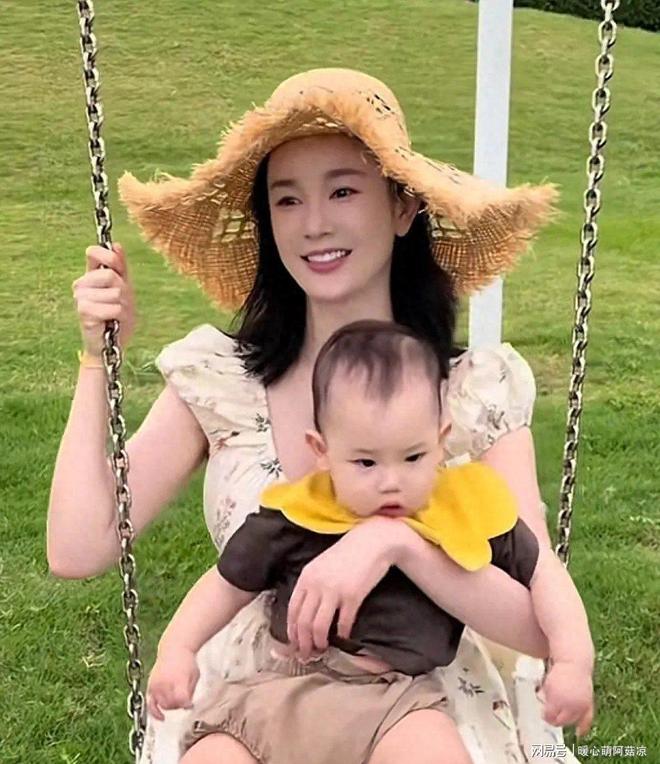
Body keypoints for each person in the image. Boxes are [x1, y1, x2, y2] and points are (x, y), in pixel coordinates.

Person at [48, 68, 593, 764]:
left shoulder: (470, 393)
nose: (314, 224)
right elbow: (78, 550)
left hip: (419, 706)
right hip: (250, 705)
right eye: (287, 199)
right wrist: (96, 360)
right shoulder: (224, 381)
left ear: (402, 207)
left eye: (342, 190)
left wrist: (394, 544)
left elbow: (537, 626)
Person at [145, 320, 594, 764]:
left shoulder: (463, 508)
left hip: (397, 701)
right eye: (365, 463)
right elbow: (226, 583)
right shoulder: (300, 512)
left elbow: (543, 574)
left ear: (441, 441)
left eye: (413, 456)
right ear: (322, 451)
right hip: (283, 689)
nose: (390, 481)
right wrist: (177, 649)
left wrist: (573, 660)